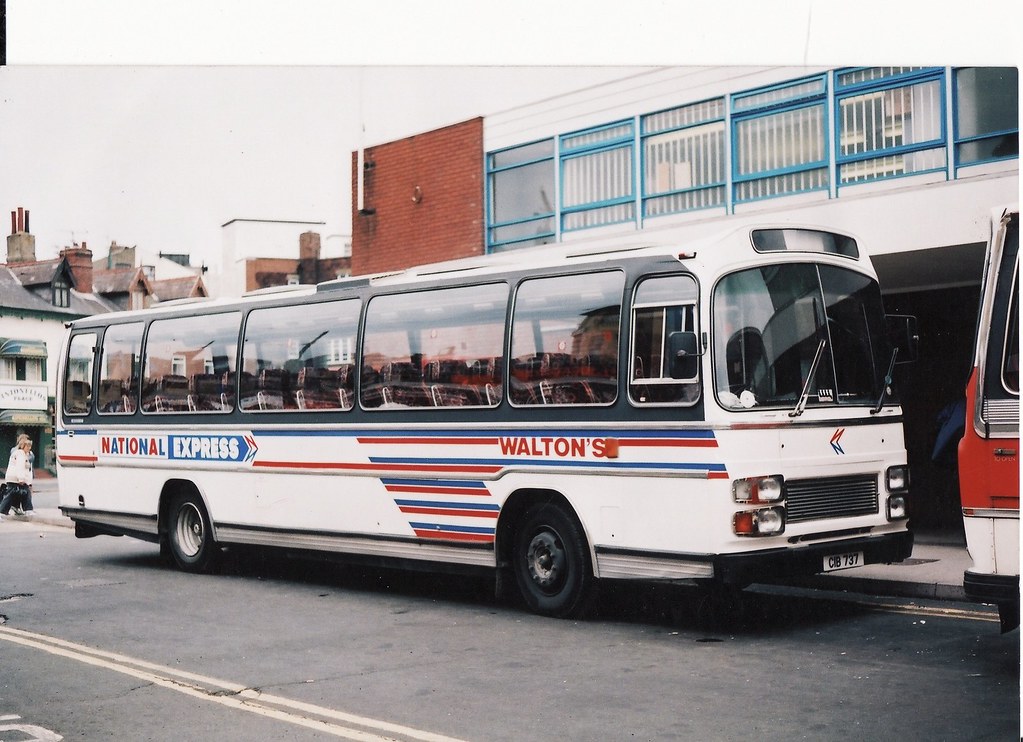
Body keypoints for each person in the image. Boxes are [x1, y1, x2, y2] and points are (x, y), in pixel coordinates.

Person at [0, 436, 34, 520]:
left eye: (30, 446)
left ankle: (25, 509)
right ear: (23, 446)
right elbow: (20, 467)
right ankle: (28, 509)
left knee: (13, 495)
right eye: (27, 446)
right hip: (15, 478)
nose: (29, 448)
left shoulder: (22, 454)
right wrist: (21, 479)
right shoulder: (20, 454)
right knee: (17, 494)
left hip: (13, 478)